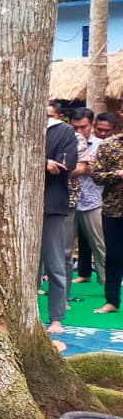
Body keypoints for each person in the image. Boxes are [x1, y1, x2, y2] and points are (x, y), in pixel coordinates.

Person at [42, 100, 81, 334]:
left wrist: (49, 164)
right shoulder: (22, 127)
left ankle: (56, 318)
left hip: (51, 204)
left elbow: (66, 165)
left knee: (55, 262)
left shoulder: (64, 131)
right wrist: (44, 162)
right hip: (18, 205)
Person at [71, 107, 107, 290]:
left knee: (100, 245)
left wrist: (86, 167)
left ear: (91, 125)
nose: (79, 131)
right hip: (70, 201)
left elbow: (102, 172)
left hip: (93, 201)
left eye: (82, 127)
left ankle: (107, 281)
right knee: (65, 245)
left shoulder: (102, 145)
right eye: (75, 127)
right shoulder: (67, 142)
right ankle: (67, 280)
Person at [91, 112, 123, 313]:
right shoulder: (109, 145)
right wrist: (116, 175)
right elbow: (96, 176)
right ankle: (111, 301)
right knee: (113, 256)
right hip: (114, 209)